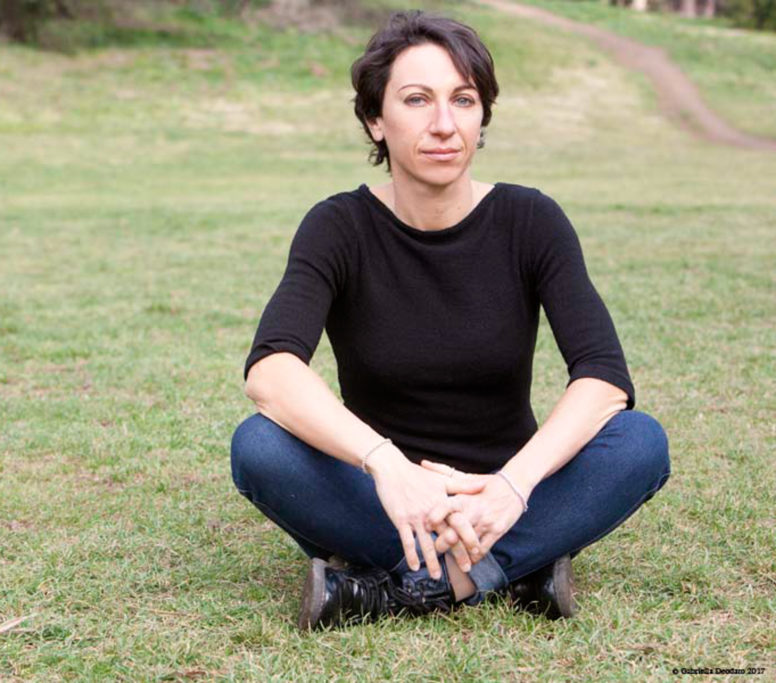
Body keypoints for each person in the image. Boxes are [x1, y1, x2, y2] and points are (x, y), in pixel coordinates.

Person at [229, 10, 670, 630]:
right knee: (258, 447)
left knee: (640, 441)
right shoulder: (338, 227)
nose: (443, 124)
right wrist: (390, 467)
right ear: (375, 119)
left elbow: (603, 378)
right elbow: (272, 369)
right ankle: (519, 571)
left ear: (481, 116)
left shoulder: (530, 220)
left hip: (506, 496)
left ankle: (404, 588)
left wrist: (512, 486)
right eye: (417, 100)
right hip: (380, 497)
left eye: (463, 100)